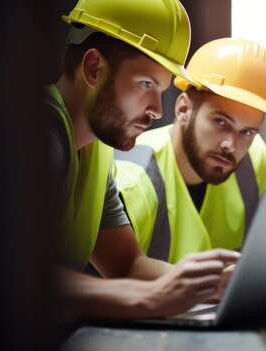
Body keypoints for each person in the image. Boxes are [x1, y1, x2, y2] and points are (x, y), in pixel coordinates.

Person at [46, 0, 240, 323]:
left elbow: (128, 265)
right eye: (146, 84)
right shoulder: (39, 138)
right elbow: (19, 279)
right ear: (94, 68)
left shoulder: (96, 152)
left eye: (160, 89)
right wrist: (149, 298)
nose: (157, 110)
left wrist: (213, 284)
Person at [114, 38, 266, 263]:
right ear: (183, 109)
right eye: (221, 122)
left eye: (247, 132)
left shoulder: (254, 159)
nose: (231, 145)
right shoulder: (133, 181)